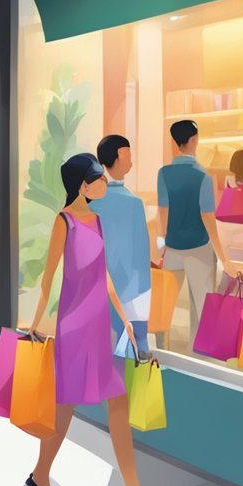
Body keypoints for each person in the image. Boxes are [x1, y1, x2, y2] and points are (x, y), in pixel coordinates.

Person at [20, 153, 168, 486]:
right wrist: (34, 325)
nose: (105, 182)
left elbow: (104, 277)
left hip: (101, 326)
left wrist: (127, 322)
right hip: (74, 329)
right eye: (99, 178)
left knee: (117, 404)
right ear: (83, 185)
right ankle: (40, 475)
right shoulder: (64, 222)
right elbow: (48, 279)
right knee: (64, 409)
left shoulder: (97, 221)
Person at [157, 121, 239, 335]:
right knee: (203, 310)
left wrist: (163, 244)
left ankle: (163, 349)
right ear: (193, 140)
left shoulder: (163, 173)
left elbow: (163, 211)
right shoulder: (202, 176)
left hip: (173, 249)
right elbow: (207, 217)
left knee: (166, 307)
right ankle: (198, 351)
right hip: (199, 250)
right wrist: (223, 258)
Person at [90, 136, 153, 359]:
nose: (131, 160)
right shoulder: (133, 203)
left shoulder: (90, 203)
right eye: (129, 154)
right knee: (135, 350)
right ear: (120, 155)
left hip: (97, 285)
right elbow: (141, 255)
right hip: (131, 287)